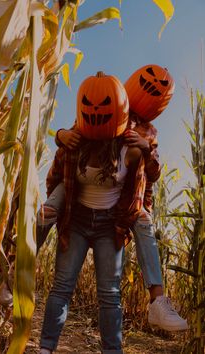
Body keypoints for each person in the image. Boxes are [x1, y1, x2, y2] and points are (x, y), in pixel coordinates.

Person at [37, 108, 188, 333]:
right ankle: (14, 269)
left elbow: (153, 174)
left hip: (118, 208)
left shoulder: (142, 135)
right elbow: (66, 145)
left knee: (143, 225)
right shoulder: (94, 117)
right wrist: (59, 135)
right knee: (46, 214)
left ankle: (157, 301)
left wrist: (146, 148)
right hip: (75, 204)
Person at [39, 71, 146, 353]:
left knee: (109, 295)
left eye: (105, 106)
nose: (97, 110)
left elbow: (149, 177)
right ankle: (45, 348)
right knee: (61, 287)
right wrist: (60, 136)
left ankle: (113, 350)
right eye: (90, 105)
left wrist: (148, 148)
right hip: (76, 221)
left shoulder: (129, 148)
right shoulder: (75, 142)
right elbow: (57, 177)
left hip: (108, 227)